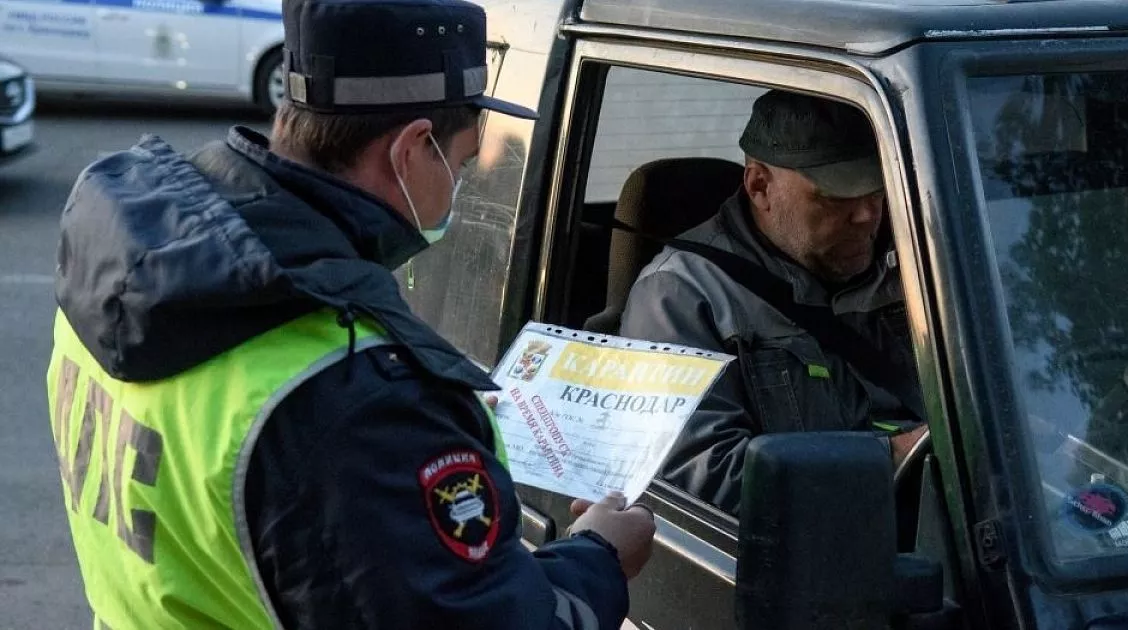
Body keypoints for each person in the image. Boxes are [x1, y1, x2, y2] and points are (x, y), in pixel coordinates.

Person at [44, 0, 654, 628]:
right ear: (412, 148)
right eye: (463, 162)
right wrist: (600, 556)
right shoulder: (358, 404)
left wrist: (425, 416)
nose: (461, 182)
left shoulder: (131, 282)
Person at [619, 90, 928, 515]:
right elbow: (701, 481)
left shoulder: (915, 263)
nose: (867, 216)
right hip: (819, 543)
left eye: (877, 191)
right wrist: (893, 458)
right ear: (760, 186)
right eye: (837, 197)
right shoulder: (680, 295)